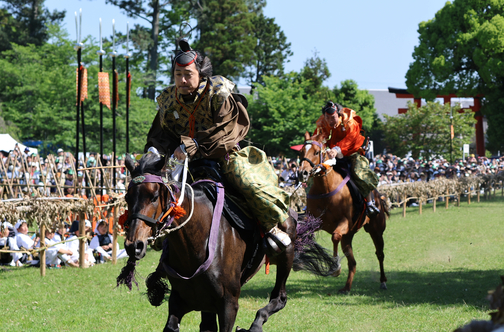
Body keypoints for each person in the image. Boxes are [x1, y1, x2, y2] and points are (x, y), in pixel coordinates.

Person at [145, 39, 293, 251]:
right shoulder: (168, 100)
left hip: (222, 154)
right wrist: (154, 151)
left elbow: (228, 128)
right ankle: (154, 234)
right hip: (182, 161)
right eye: (178, 75)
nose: (183, 80)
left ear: (200, 74)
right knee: (154, 188)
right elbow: (161, 134)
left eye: (188, 75)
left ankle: (270, 226)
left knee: (248, 181)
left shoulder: (218, 91)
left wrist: (194, 143)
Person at [312, 101, 380, 216]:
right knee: (315, 172)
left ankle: (370, 203)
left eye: (333, 117)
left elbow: (351, 139)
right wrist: (324, 148)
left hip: (352, 153)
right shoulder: (322, 123)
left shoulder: (349, 121)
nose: (330, 121)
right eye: (327, 118)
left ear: (339, 115)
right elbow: (318, 139)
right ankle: (311, 204)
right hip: (332, 155)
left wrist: (336, 149)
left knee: (359, 172)